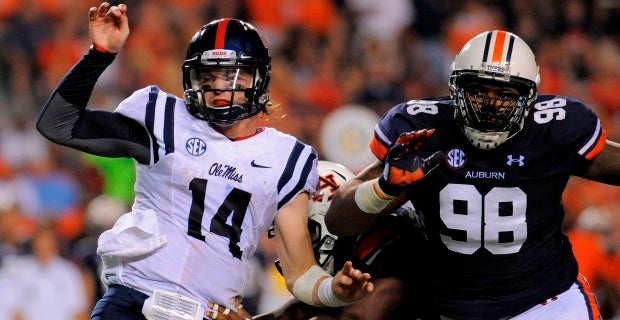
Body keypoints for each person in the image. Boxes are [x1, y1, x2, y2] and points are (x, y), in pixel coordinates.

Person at [36, 2, 372, 320]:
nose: (218, 87)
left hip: (208, 313)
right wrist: (99, 55)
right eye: (208, 77)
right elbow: (58, 124)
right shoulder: (166, 121)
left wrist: (334, 290)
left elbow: (300, 272)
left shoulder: (287, 157)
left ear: (259, 79)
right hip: (134, 302)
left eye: (231, 76)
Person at [324, 29, 620, 320]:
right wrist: (383, 187)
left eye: (505, 94)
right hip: (454, 309)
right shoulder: (422, 130)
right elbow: (338, 220)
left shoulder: (553, 128)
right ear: (455, 88)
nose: (490, 105)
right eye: (478, 91)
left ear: (529, 97)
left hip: (547, 302)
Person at [209, 160, 435, 320]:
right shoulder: (353, 248)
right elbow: (296, 312)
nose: (292, 240)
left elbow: (356, 316)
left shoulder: (391, 243)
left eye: (303, 230)